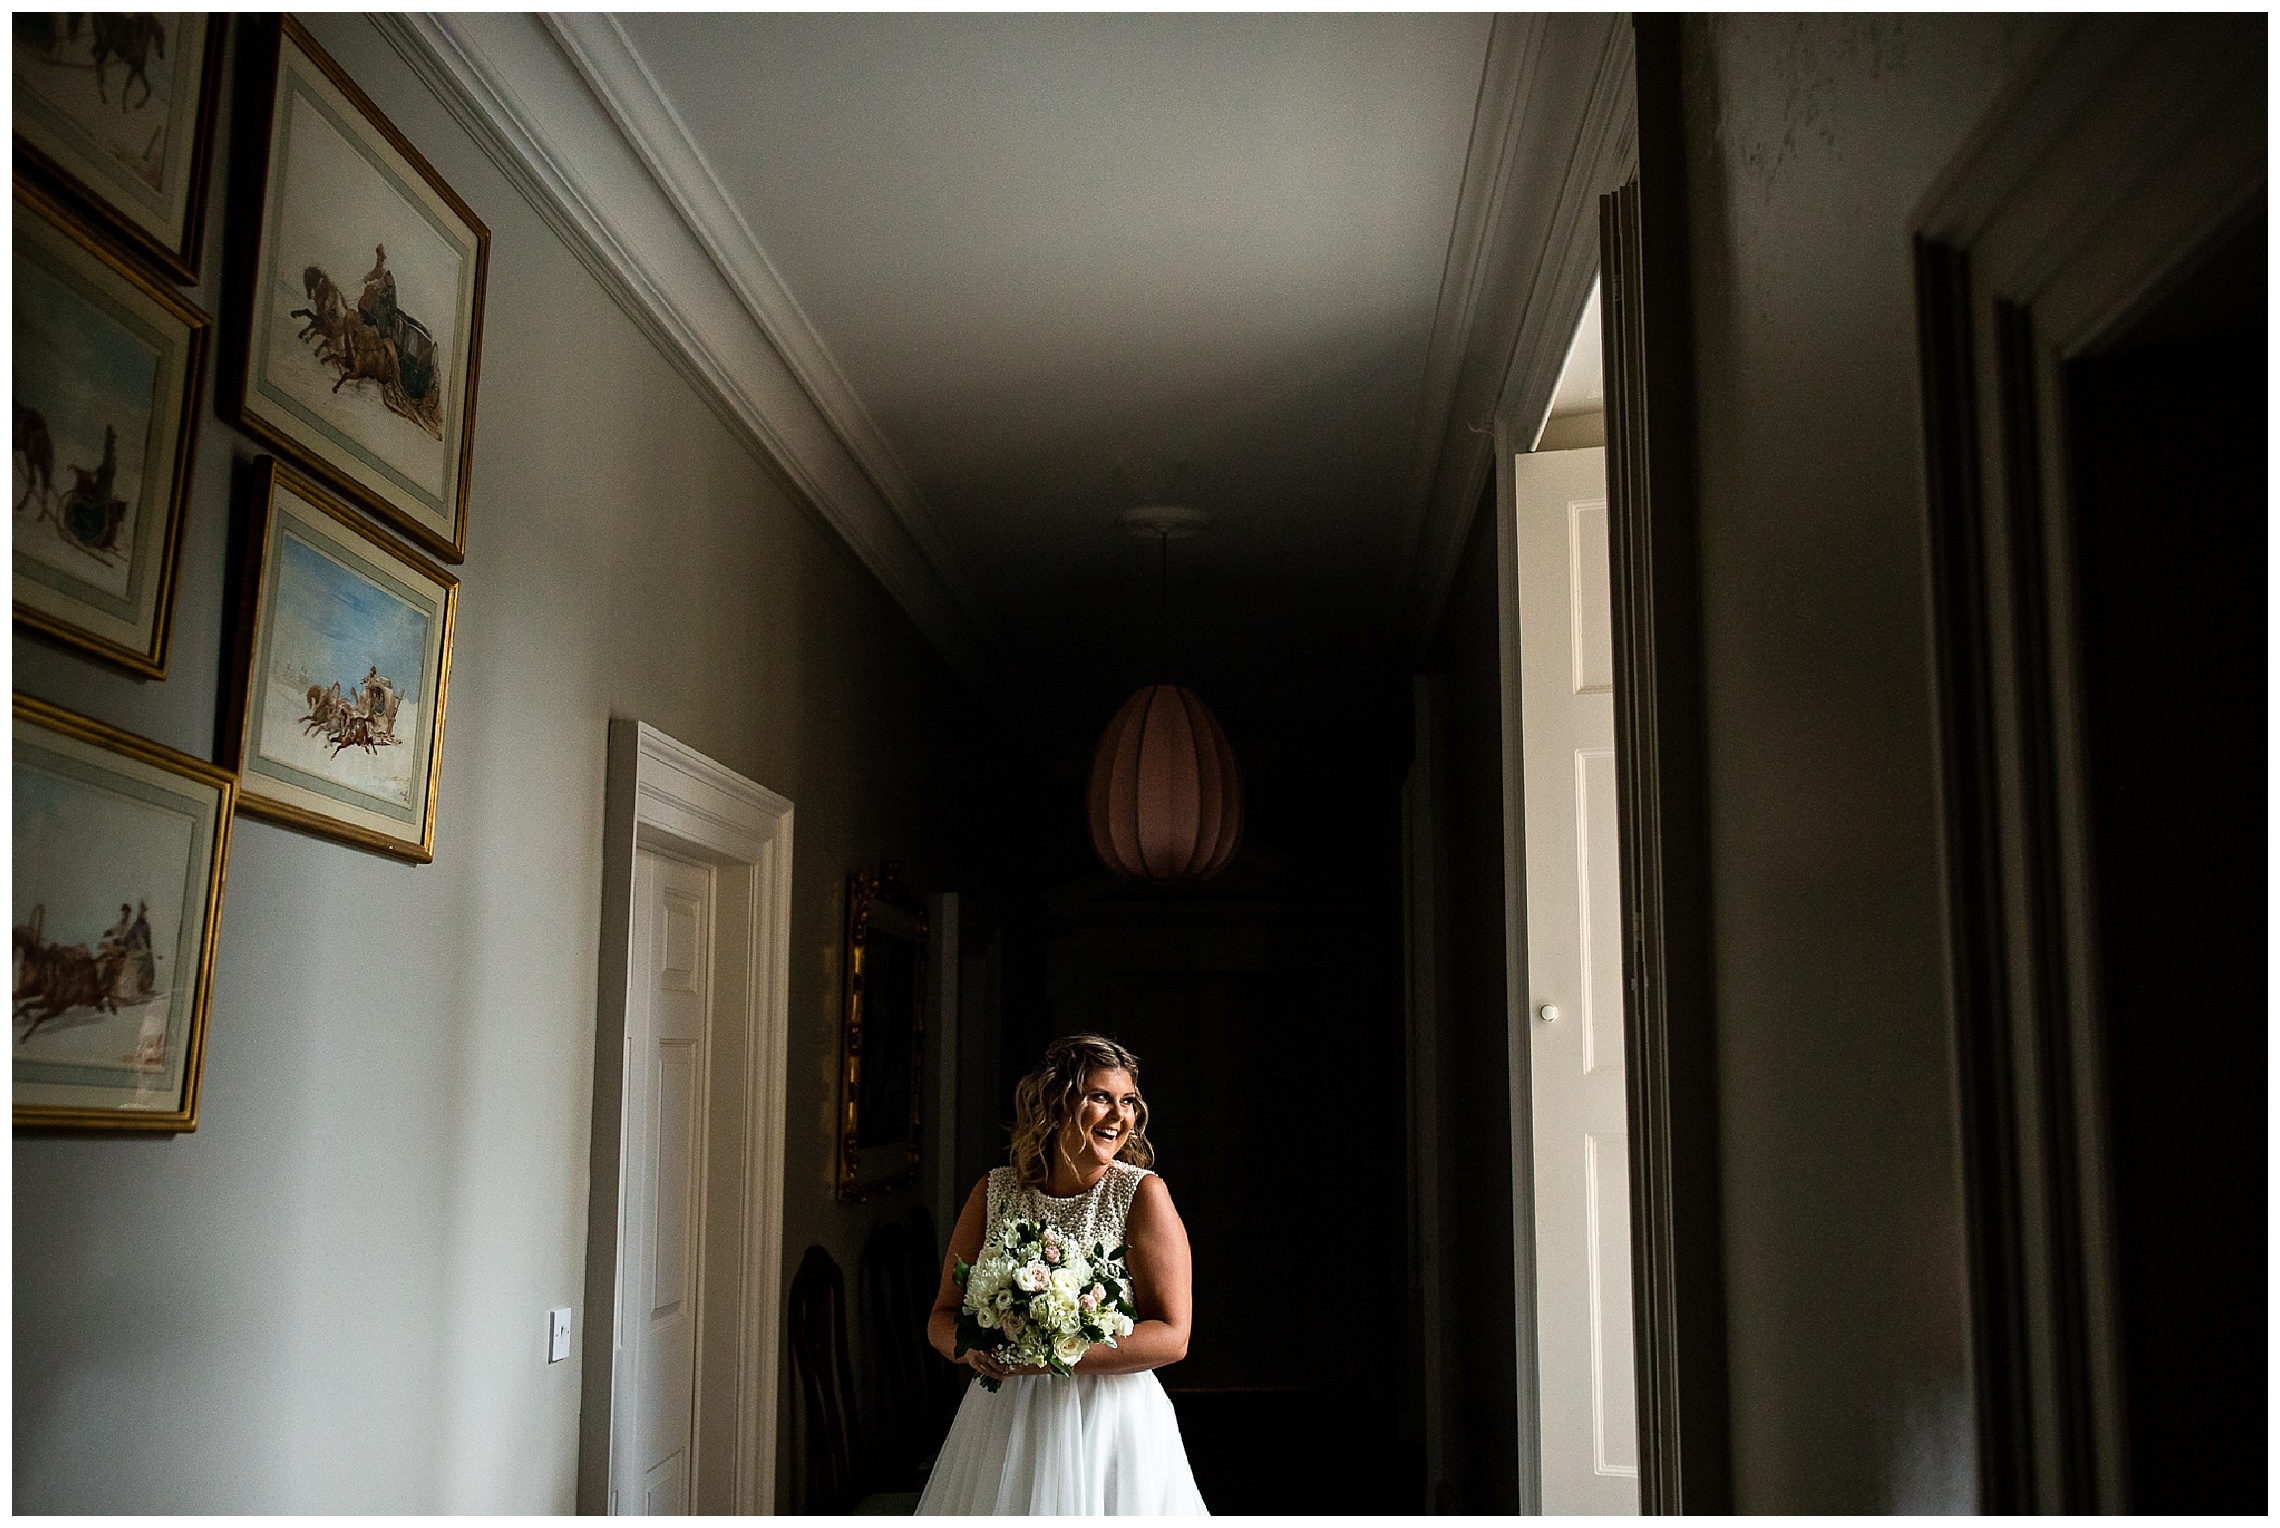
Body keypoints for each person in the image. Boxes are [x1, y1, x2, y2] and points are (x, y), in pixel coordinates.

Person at [917, 1034, 1208, 1515]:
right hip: (1006, 1424)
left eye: (1128, 1101)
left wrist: (1042, 1359)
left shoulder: (1142, 1195)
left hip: (1111, 1424)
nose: (1120, 1116)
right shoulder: (994, 1191)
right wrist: (971, 1350)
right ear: (1055, 1105)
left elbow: (1173, 1337)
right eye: (1100, 1097)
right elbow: (941, 1318)